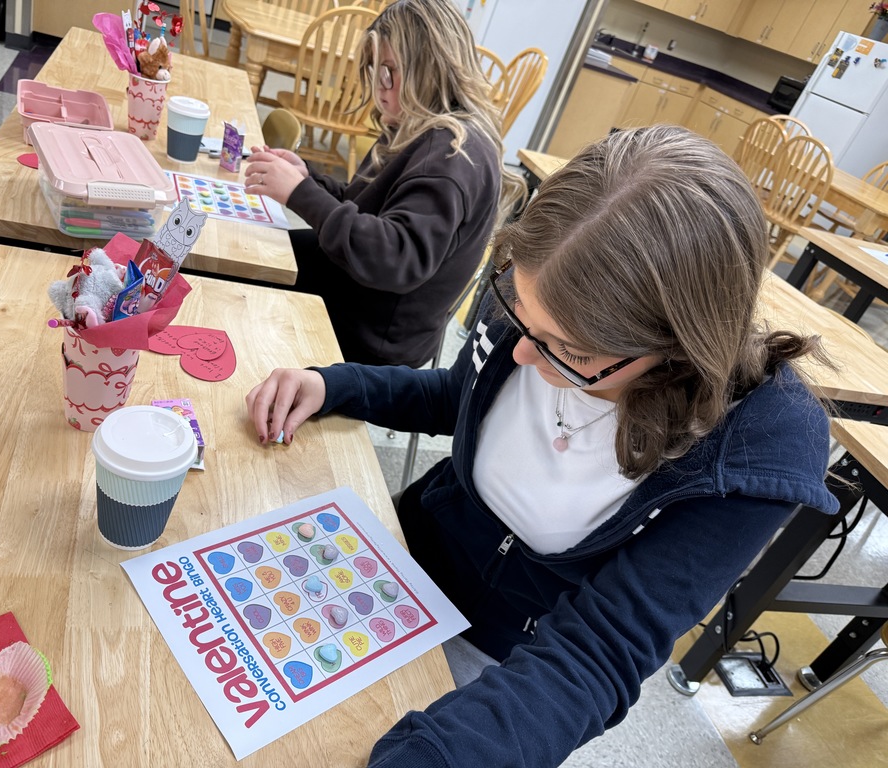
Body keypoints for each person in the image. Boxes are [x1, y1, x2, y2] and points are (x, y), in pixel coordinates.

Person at [245, 125, 841, 767]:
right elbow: (459, 397)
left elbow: (600, 650)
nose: (524, 353)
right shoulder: (546, 301)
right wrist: (335, 384)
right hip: (397, 563)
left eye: (572, 350)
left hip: (511, 664)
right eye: (521, 317)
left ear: (676, 349)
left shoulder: (750, 456)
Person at [243, 0, 526, 368]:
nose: (380, 89)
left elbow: (393, 258)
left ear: (430, 67)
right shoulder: (419, 125)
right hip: (356, 293)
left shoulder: (450, 157)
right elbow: (360, 207)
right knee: (248, 251)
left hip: (369, 337)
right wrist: (307, 178)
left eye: (390, 72)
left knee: (237, 280)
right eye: (376, 72)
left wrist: (301, 194)